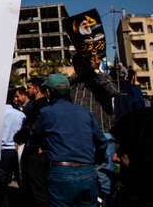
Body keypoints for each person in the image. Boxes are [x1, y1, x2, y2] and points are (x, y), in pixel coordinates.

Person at [33, 74, 108, 207]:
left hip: (61, 173)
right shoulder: (84, 112)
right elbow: (101, 141)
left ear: (49, 92)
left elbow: (34, 137)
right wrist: (97, 158)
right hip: (88, 172)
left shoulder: (46, 113)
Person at [70, 53, 118, 205]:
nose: (77, 67)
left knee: (104, 177)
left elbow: (112, 91)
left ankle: (109, 201)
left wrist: (97, 71)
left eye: (81, 63)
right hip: (81, 138)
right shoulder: (74, 84)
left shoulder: (99, 79)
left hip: (102, 134)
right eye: (74, 63)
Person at [13, 76, 50, 207]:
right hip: (36, 152)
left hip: (37, 153)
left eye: (29, 88)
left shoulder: (40, 107)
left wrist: (18, 137)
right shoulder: (39, 105)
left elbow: (31, 128)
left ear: (37, 89)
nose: (27, 90)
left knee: (37, 190)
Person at [0, 89, 26, 205]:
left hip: (2, 149)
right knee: (20, 178)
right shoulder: (20, 115)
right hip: (16, 149)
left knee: (2, 178)